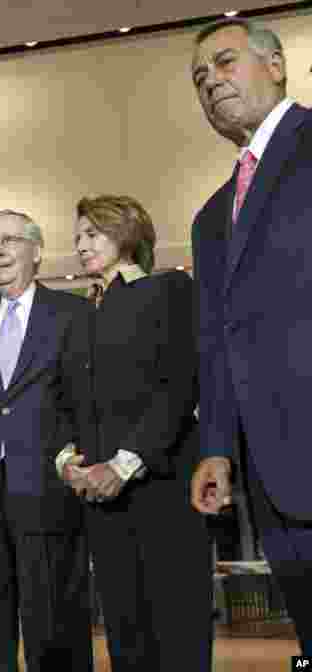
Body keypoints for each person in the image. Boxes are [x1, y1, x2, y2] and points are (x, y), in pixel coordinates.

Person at [189, 17, 312, 654]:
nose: (212, 83)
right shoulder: (212, 216)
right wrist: (216, 446)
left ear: (276, 64)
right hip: (270, 474)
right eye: (200, 78)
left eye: (226, 62)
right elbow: (217, 337)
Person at [61, 195, 211, 671]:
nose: (80, 244)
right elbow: (69, 402)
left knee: (177, 627)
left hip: (161, 488)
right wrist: (69, 459)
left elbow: (179, 385)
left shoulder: (170, 289)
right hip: (101, 499)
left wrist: (124, 464)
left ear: (126, 233)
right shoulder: (79, 315)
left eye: (92, 233)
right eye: (78, 235)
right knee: (126, 633)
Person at [0, 210, 93, 672]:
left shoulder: (73, 313)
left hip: (48, 491)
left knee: (55, 627)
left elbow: (85, 401)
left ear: (36, 251)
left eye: (10, 240)